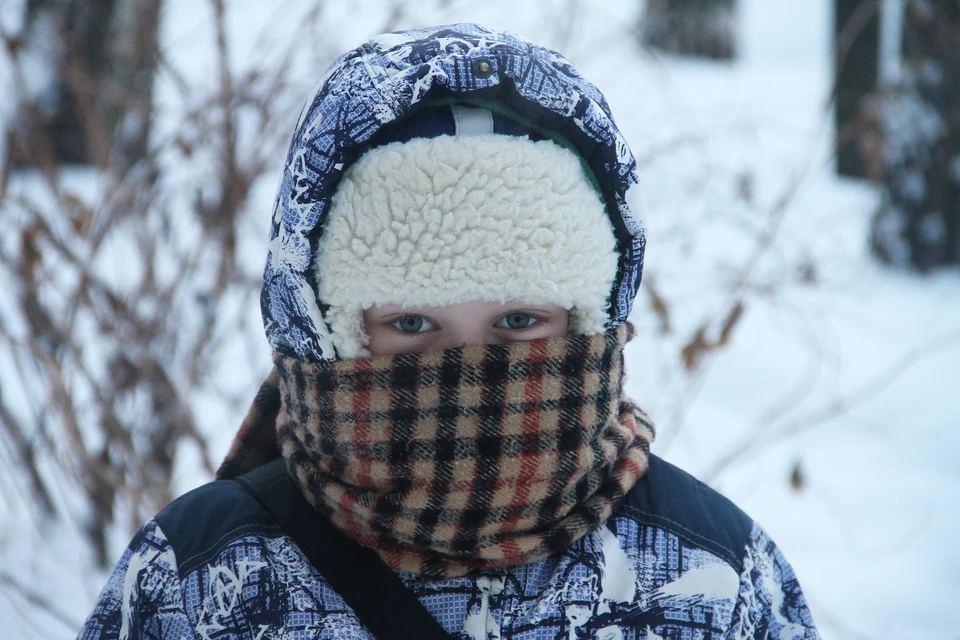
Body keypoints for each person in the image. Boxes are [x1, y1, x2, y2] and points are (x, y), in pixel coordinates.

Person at [78, 23, 820, 639]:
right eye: (410, 323)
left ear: (594, 319)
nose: (470, 367)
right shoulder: (197, 578)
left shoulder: (717, 579)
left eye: (521, 321)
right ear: (324, 333)